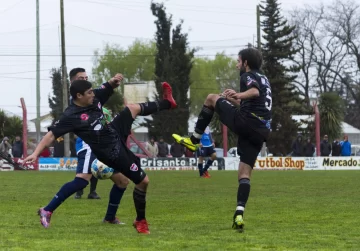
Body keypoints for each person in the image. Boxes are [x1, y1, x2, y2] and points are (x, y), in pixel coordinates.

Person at [24, 72, 177, 234]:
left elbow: (106, 87)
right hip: (111, 152)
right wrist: (35, 153)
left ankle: (167, 103)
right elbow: (51, 135)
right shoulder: (71, 116)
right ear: (79, 96)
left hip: (113, 132)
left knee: (132, 109)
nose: (93, 94)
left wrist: (113, 81)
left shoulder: (93, 97)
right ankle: (140, 221)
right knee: (143, 181)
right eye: (89, 92)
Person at [172, 48, 272, 232]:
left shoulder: (247, 76)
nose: (237, 65)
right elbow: (254, 101)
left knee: (211, 98)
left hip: (247, 122)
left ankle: (193, 140)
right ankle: (239, 214)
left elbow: (254, 93)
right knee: (244, 174)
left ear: (246, 63)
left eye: (238, 61)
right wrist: (233, 99)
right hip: (261, 130)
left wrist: (239, 94)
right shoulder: (264, 78)